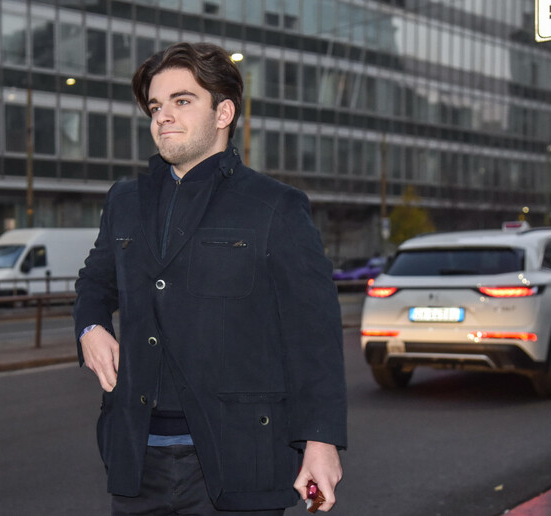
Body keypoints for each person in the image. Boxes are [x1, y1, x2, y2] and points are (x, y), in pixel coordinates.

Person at [74, 42, 347, 515]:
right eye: (155, 106)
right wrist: (90, 326)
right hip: (137, 459)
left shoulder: (275, 207)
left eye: (182, 101)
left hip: (239, 460)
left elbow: (314, 335)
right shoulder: (125, 200)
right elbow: (94, 283)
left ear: (223, 112)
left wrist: (320, 442)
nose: (163, 116)